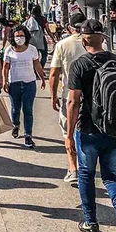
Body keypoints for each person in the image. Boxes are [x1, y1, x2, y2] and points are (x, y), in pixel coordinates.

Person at [66, 19, 116, 232]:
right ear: (103, 38)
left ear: (84, 39)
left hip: (88, 129)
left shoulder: (79, 65)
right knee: (111, 175)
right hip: (115, 128)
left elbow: (73, 101)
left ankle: (90, 222)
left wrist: (69, 134)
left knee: (86, 175)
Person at [48, 12, 87, 185]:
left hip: (69, 96)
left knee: (68, 131)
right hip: (93, 96)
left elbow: (54, 73)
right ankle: (86, 167)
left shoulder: (63, 44)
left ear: (69, 27)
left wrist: (53, 95)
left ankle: (73, 169)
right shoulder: (96, 42)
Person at [2, 25, 46, 148]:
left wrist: (42, 78)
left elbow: (37, 65)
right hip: (14, 84)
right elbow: (5, 68)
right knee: (15, 109)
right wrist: (4, 81)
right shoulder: (9, 50)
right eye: (17, 36)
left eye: (22, 35)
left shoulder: (32, 49)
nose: (19, 38)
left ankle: (28, 135)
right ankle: (15, 125)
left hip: (29, 84)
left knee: (28, 110)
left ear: (26, 36)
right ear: (13, 37)